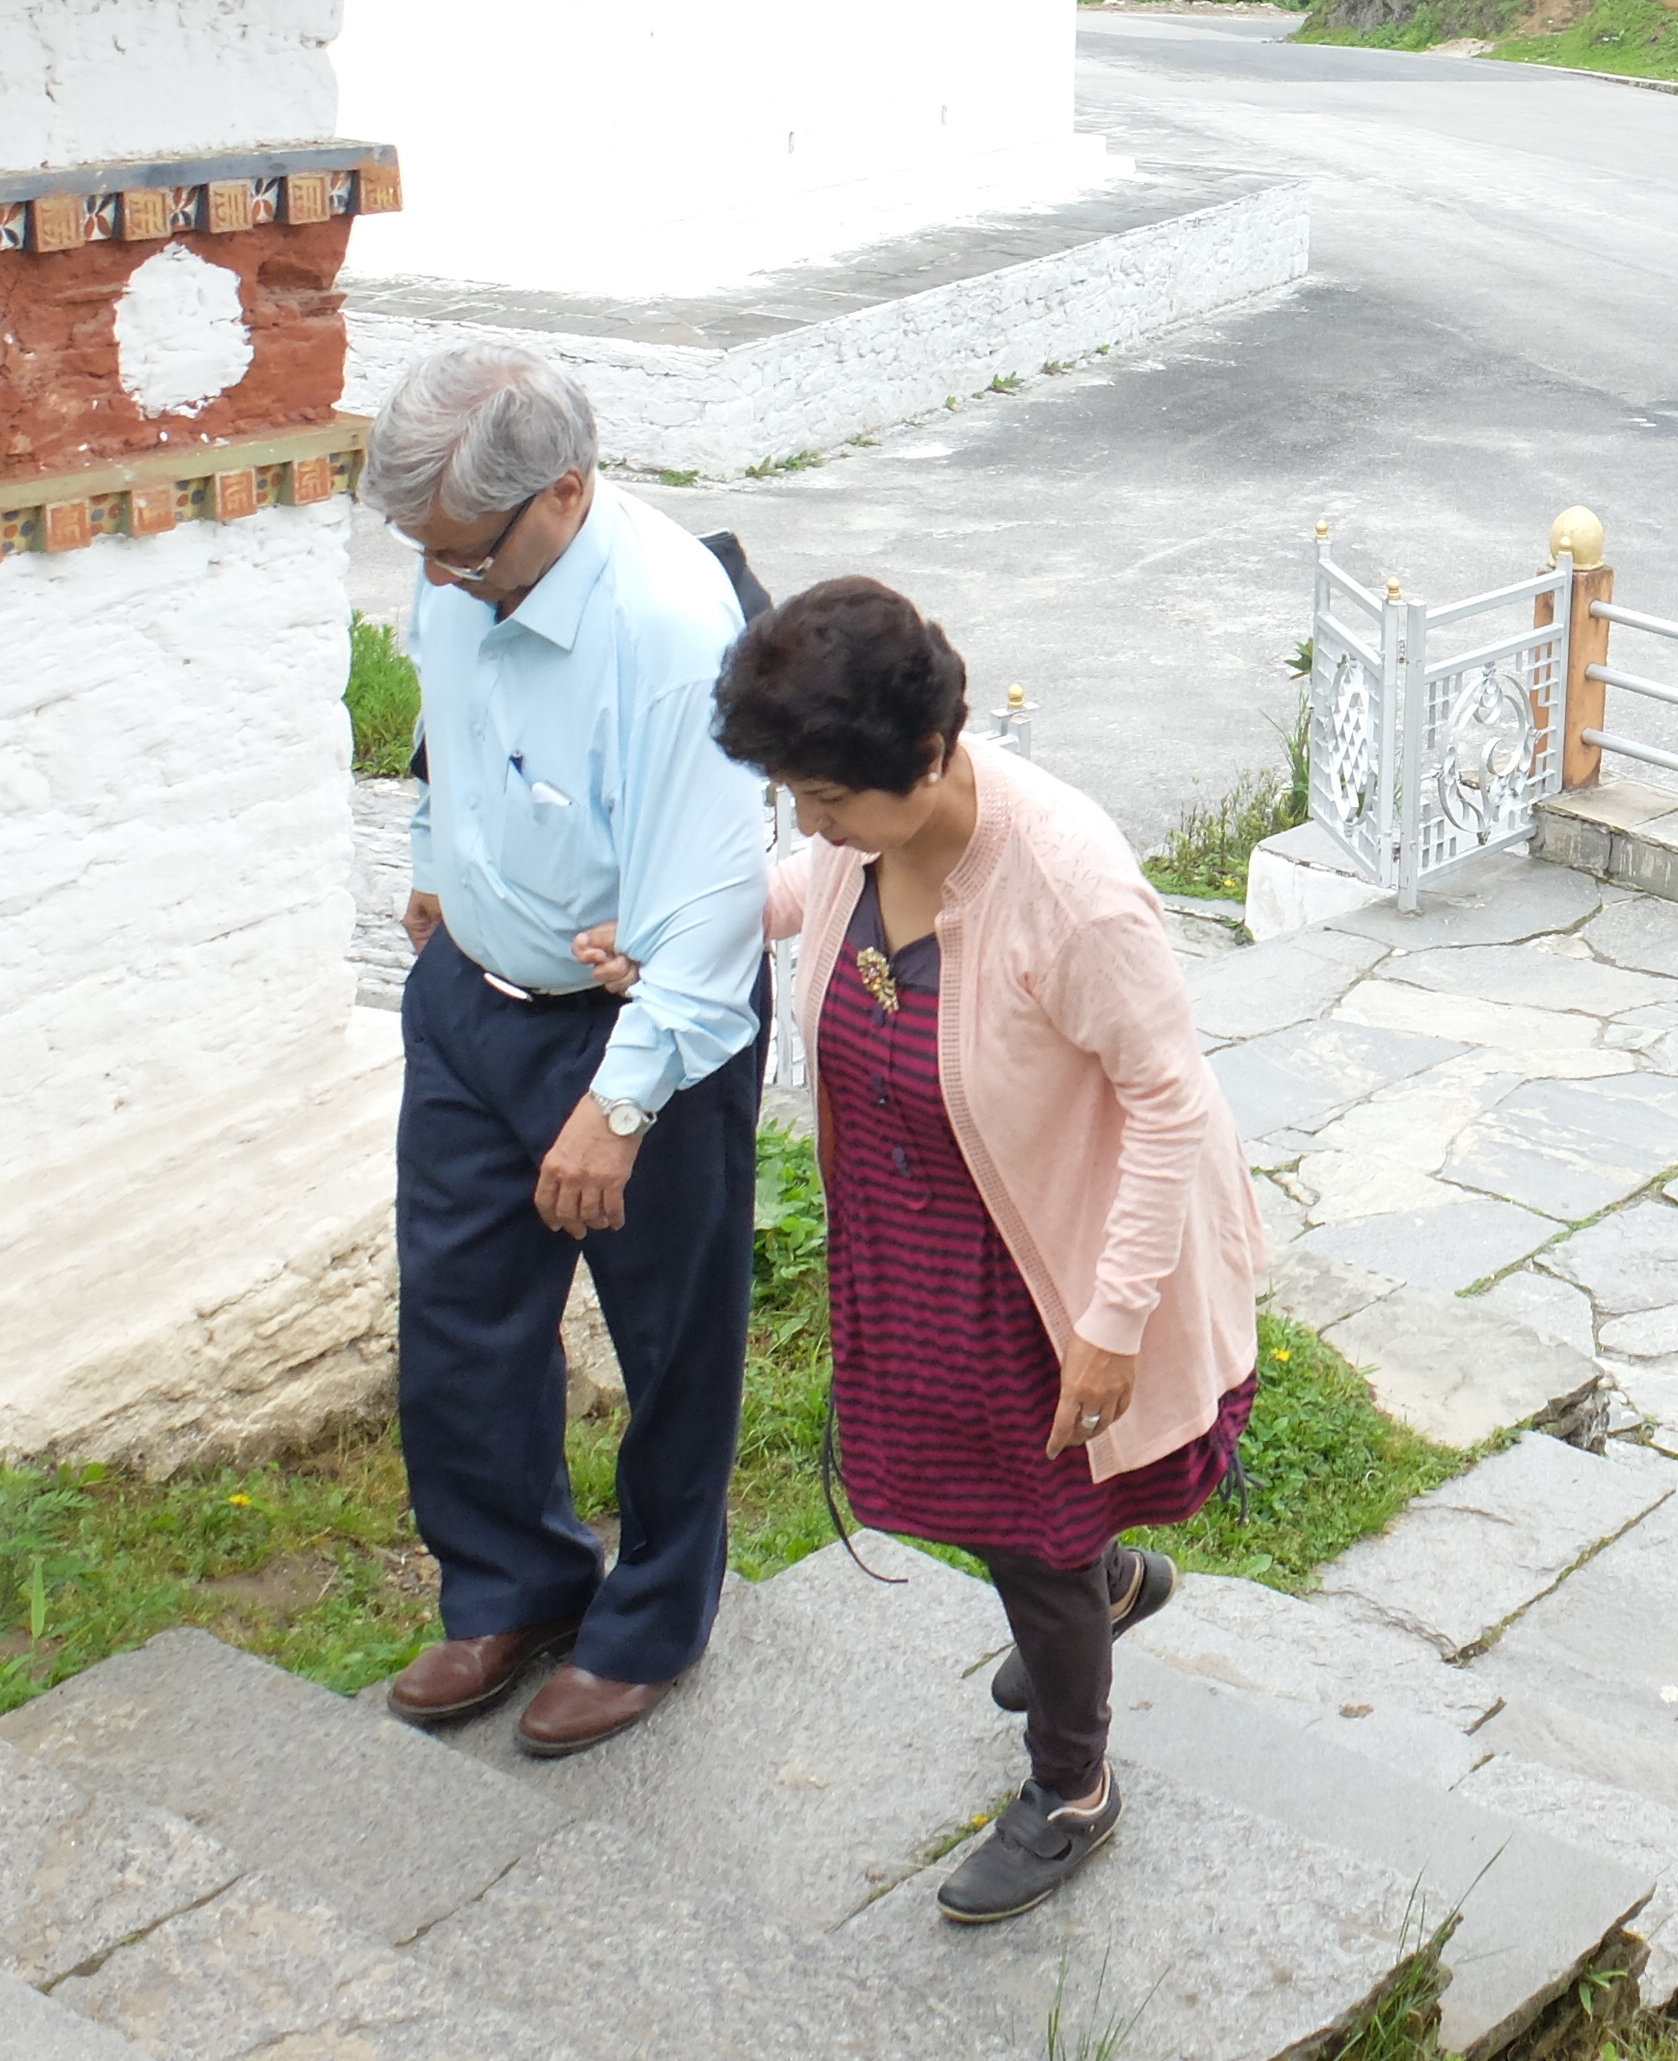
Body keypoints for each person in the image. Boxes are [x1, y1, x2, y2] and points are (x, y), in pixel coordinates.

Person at [602, 576, 1259, 1922]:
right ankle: (1108, 1585)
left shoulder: (1071, 891)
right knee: (974, 1500)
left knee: (1033, 1533)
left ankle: (1072, 1785)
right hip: (915, 1238)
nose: (812, 824)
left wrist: (1114, 1322)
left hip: (1051, 1267)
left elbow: (1169, 1100)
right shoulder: (863, 834)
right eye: (796, 796)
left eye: (827, 798)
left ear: (928, 754)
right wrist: (676, 935)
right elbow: (806, 888)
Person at [368, 346, 774, 1758]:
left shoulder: (670, 627)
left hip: (638, 1031)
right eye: (422, 553)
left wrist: (623, 1104)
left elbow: (714, 902)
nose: (441, 582)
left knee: (672, 1343)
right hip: (470, 1003)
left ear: (566, 492)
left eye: (466, 555)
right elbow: (453, 726)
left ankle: (650, 1622)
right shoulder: (464, 567)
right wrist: (436, 863)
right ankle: (512, 1586)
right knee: (459, 1319)